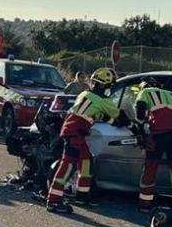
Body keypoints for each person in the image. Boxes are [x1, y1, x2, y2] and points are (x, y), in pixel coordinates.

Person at [45, 67, 119, 214]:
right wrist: (132, 125)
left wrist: (107, 119)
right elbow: (117, 115)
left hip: (72, 131)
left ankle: (82, 196)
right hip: (75, 133)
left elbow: (95, 113)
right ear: (105, 86)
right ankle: (53, 201)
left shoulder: (85, 94)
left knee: (85, 162)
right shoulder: (104, 100)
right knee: (68, 166)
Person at [134, 76, 172, 215]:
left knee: (151, 167)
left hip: (158, 135)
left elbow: (140, 111)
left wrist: (142, 129)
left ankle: (144, 205)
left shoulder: (145, 92)